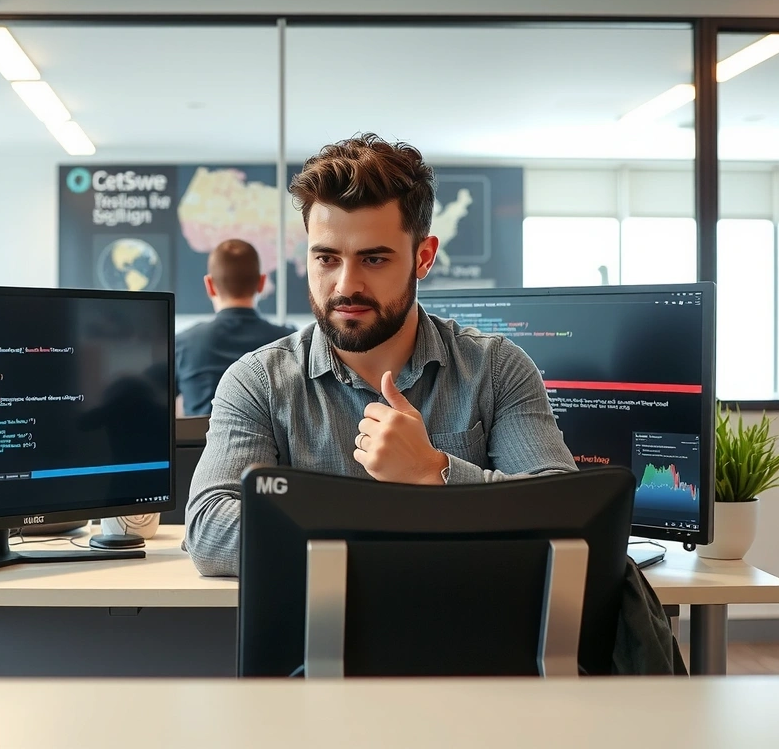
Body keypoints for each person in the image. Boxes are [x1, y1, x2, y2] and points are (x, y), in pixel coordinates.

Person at [184, 133, 577, 577]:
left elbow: (566, 515)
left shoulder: (497, 369)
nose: (346, 285)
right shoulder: (258, 382)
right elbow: (209, 531)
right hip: (318, 640)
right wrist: (388, 525)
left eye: (373, 260)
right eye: (327, 259)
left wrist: (434, 472)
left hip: (467, 637)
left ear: (423, 258)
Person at [175, 238, 295, 417]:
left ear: (209, 285)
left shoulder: (183, 344)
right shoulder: (289, 342)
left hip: (202, 445)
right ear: (261, 283)